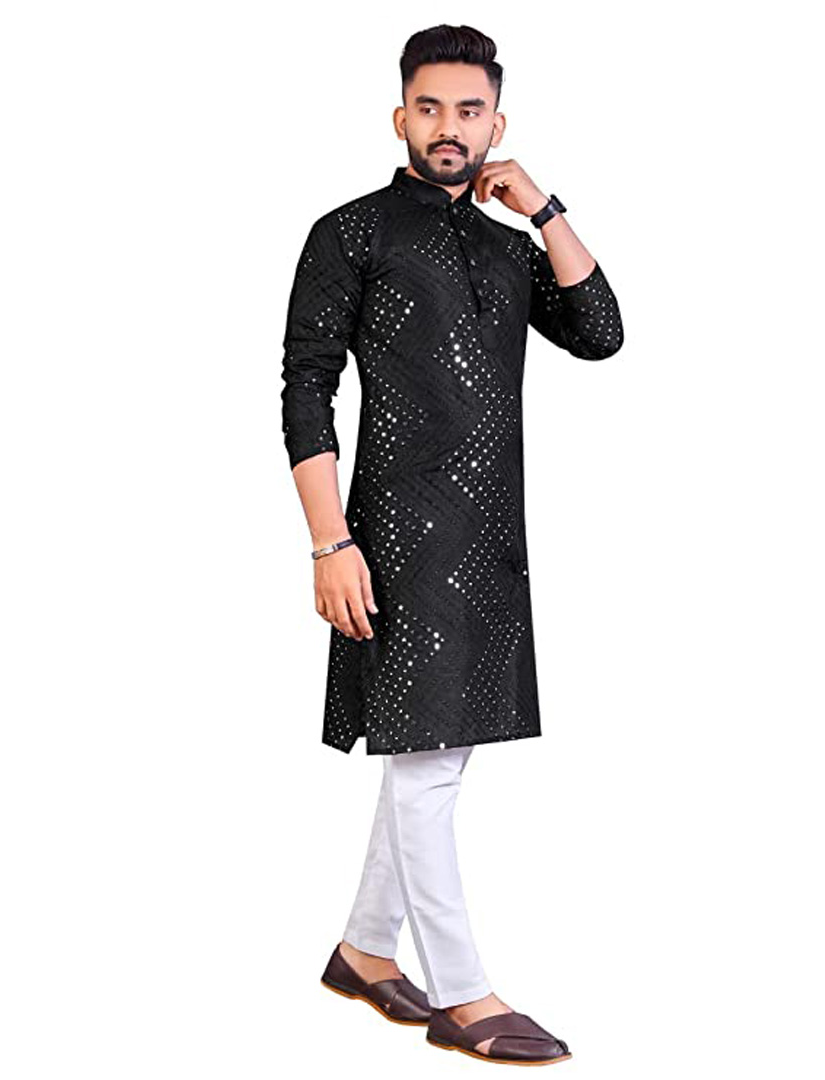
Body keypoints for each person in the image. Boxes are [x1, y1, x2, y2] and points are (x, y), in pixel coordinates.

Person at [281, 24, 623, 1065]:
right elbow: (305, 387)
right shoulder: (352, 233)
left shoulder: (509, 248)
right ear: (401, 117)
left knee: (435, 756)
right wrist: (330, 543)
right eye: (429, 107)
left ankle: (365, 951)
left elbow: (601, 331)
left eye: (469, 111)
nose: (448, 128)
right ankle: (465, 993)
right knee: (427, 764)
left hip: (490, 540)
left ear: (496, 124)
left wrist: (545, 210)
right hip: (393, 539)